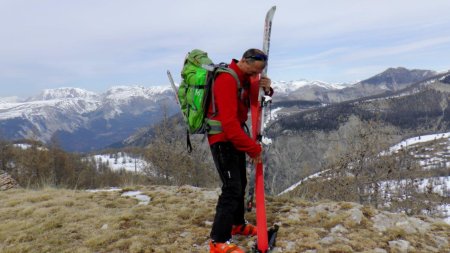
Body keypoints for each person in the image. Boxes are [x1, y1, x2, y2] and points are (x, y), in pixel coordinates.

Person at [208, 48, 273, 253]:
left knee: (241, 183)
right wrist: (253, 149)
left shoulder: (243, 76)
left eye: (258, 74)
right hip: (222, 139)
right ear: (244, 61)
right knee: (231, 188)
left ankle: (236, 223)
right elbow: (228, 124)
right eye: (254, 72)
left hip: (235, 138)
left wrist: (267, 89)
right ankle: (218, 240)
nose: (255, 76)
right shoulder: (226, 80)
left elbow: (254, 100)